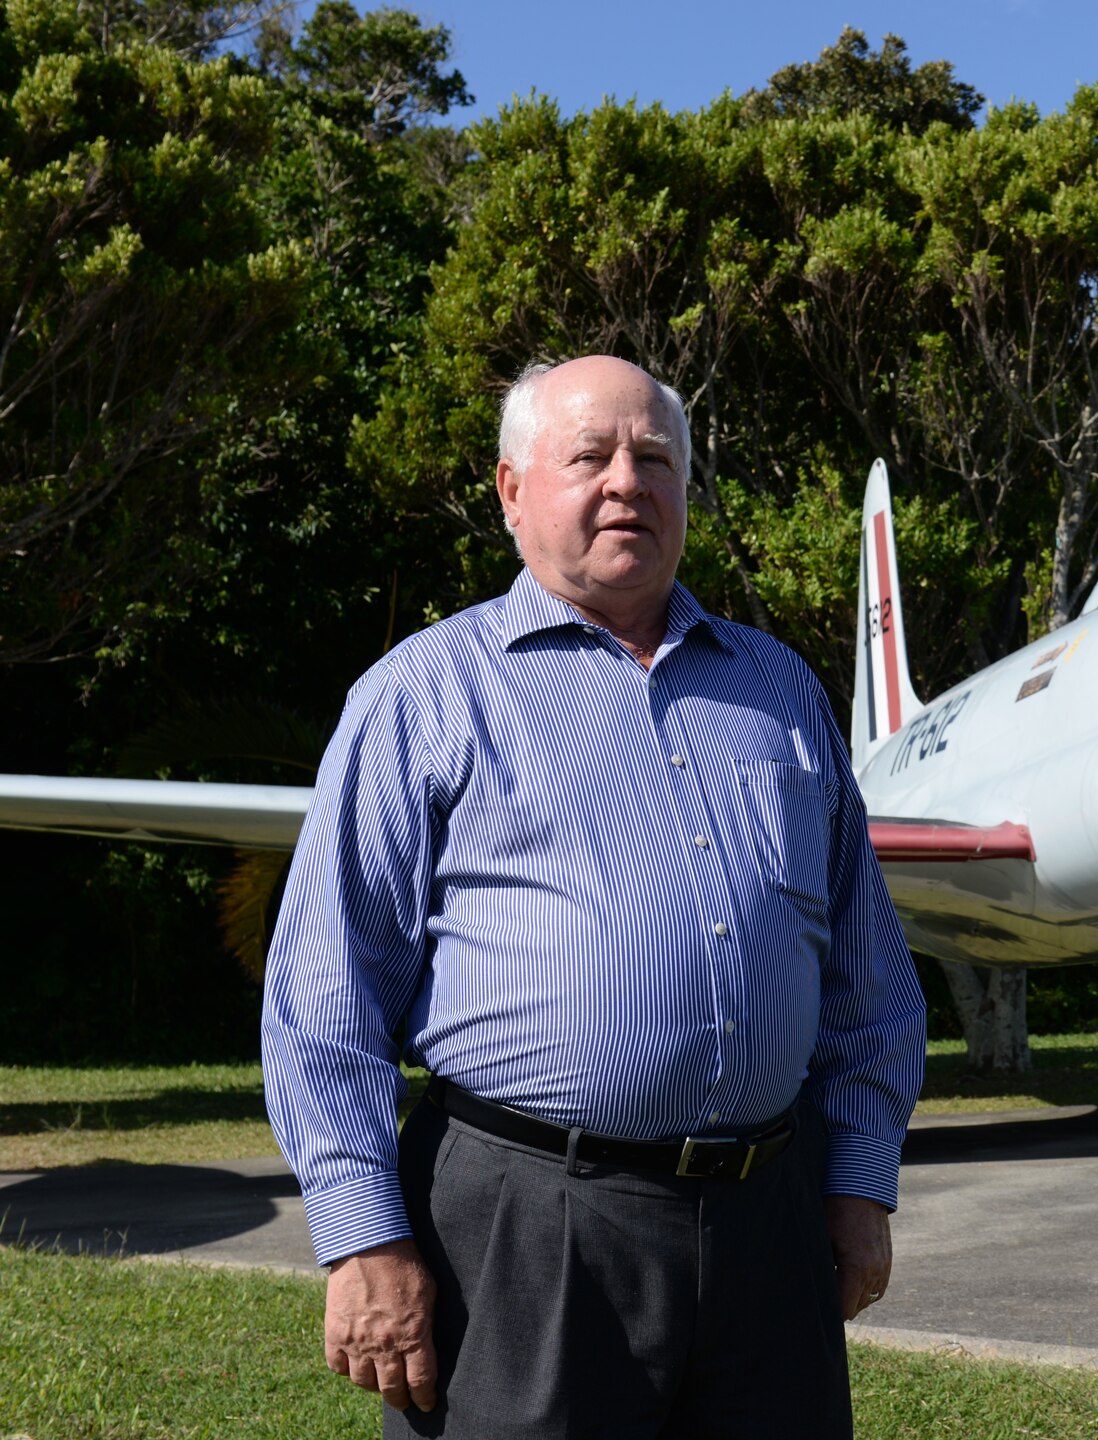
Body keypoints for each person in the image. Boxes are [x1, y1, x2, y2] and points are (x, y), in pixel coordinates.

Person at [262, 354, 925, 1438]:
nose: (627, 481)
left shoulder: (779, 692)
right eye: (590, 456)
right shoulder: (422, 697)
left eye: (654, 458)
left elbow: (867, 984)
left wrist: (857, 1186)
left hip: (769, 1226)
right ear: (513, 490)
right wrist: (364, 1240)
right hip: (527, 1230)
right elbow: (324, 1001)